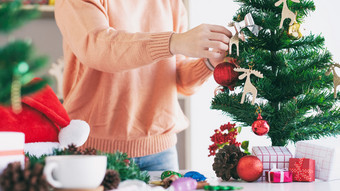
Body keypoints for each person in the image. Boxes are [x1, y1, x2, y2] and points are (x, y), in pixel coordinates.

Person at [54, 0, 232, 171]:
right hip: (92, 149)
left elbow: (178, 79)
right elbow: (99, 48)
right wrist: (173, 42)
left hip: (161, 150)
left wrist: (209, 63)